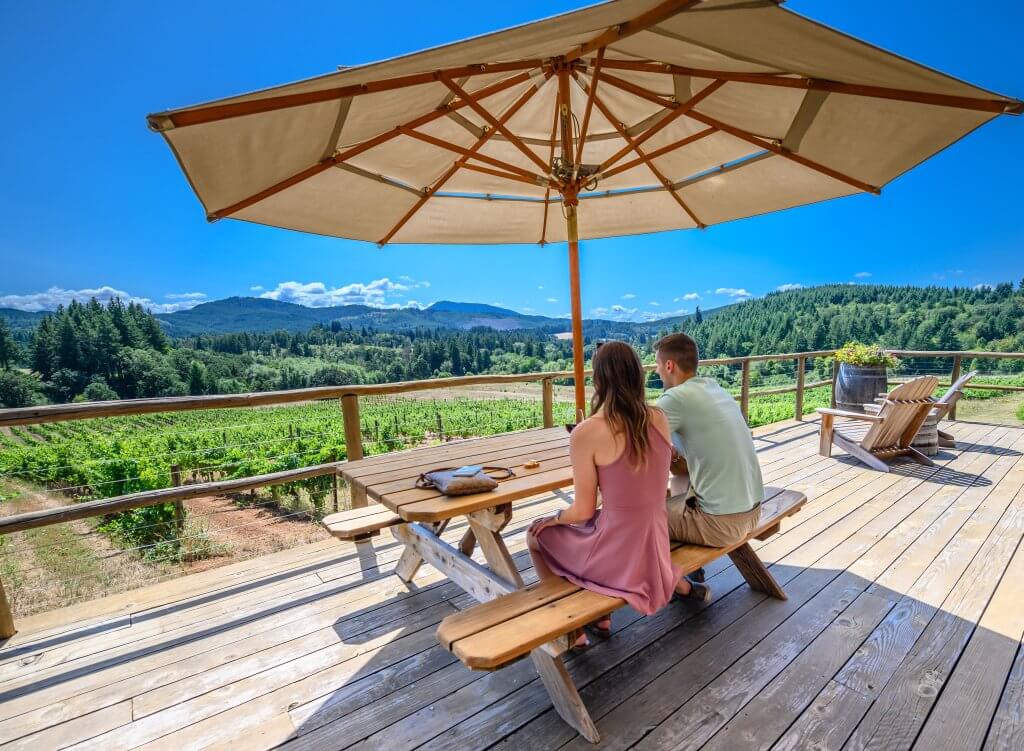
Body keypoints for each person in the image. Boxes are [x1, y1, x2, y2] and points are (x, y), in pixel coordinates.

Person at [527, 341, 679, 650]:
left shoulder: (587, 431)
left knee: (536, 536)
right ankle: (600, 618)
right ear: (637, 375)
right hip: (654, 552)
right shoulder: (660, 419)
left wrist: (552, 519)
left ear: (599, 380)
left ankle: (571, 629)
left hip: (618, 557)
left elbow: (583, 511)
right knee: (586, 528)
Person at [654, 333, 765, 603]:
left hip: (721, 523)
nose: (656, 370)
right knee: (680, 480)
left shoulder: (674, 399)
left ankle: (682, 586)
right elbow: (681, 466)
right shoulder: (715, 389)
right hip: (752, 511)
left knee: (637, 521)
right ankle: (693, 570)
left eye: (657, 364)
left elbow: (634, 452)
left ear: (669, 366)